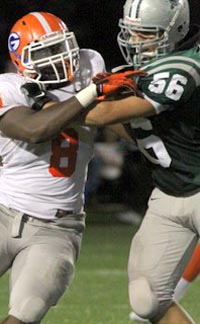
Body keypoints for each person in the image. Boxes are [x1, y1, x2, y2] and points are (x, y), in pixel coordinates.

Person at [0, 11, 127, 324]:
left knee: (25, 315)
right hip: (3, 211)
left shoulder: (89, 65)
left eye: (60, 47)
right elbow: (34, 130)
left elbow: (115, 118)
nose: (57, 57)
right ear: (21, 61)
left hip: (58, 227)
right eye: (44, 52)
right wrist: (90, 94)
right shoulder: (9, 87)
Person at [79, 0, 200, 323]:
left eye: (146, 34)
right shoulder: (144, 71)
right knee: (148, 298)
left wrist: (64, 107)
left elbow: (104, 113)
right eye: (132, 33)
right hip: (169, 193)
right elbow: (132, 129)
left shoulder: (183, 67)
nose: (135, 42)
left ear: (174, 30)